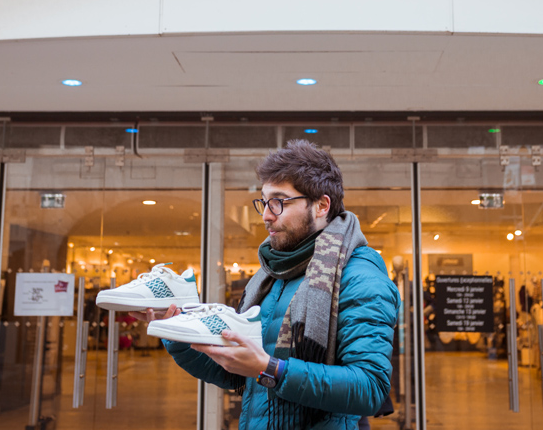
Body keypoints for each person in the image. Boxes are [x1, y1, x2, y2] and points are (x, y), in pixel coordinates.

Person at [144, 139, 401, 430]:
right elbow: (236, 373)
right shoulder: (272, 274)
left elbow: (370, 388)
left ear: (321, 205)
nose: (266, 214)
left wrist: (271, 369)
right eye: (264, 202)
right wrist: (175, 330)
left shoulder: (359, 276)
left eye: (279, 201)